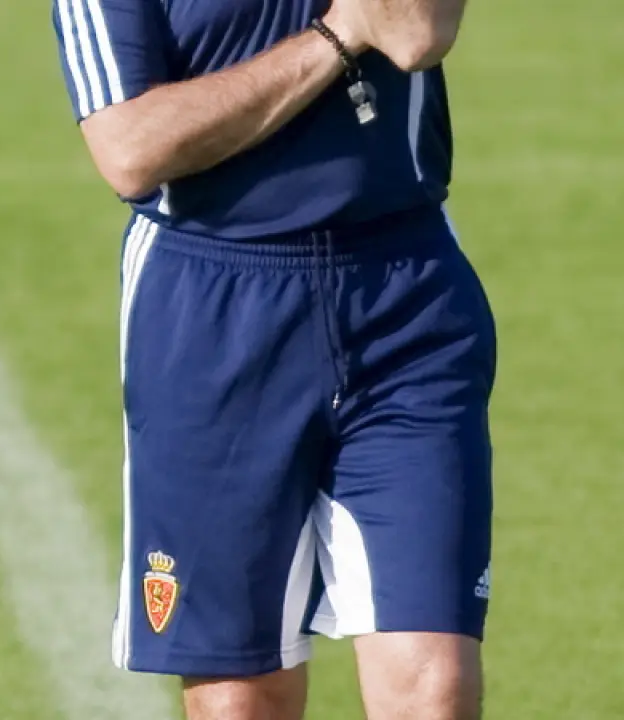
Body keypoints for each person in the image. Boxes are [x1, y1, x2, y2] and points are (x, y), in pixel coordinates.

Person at [50, 0, 494, 717]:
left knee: (435, 687)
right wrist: (337, 37)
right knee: (240, 698)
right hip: (213, 310)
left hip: (403, 298)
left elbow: (416, 33)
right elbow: (131, 148)